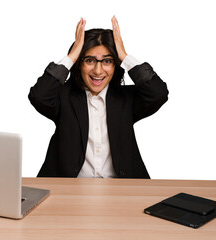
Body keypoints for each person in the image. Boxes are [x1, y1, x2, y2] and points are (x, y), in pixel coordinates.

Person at [28, 16, 168, 178]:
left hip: (123, 190)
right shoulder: (64, 97)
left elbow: (158, 93)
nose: (98, 71)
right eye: (89, 60)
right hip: (69, 190)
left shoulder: (125, 99)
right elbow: (39, 96)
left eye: (107, 61)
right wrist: (72, 56)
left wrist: (124, 56)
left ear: (115, 65)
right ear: (79, 64)